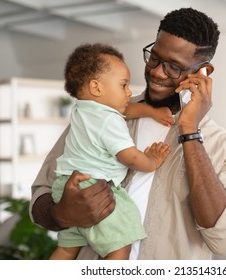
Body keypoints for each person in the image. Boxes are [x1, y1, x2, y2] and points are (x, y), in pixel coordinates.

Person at [30, 7, 226, 260]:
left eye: (174, 67)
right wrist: (61, 214)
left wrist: (190, 131)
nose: (158, 72)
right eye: (155, 58)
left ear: (203, 72)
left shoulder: (223, 146)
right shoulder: (100, 114)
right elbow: (41, 195)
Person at [49, 43, 171, 260]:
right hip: (94, 190)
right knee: (120, 245)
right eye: (123, 85)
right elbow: (129, 156)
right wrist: (152, 161)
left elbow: (127, 110)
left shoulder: (83, 109)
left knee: (67, 249)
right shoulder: (109, 121)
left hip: (66, 188)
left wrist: (151, 112)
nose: (129, 92)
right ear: (96, 88)